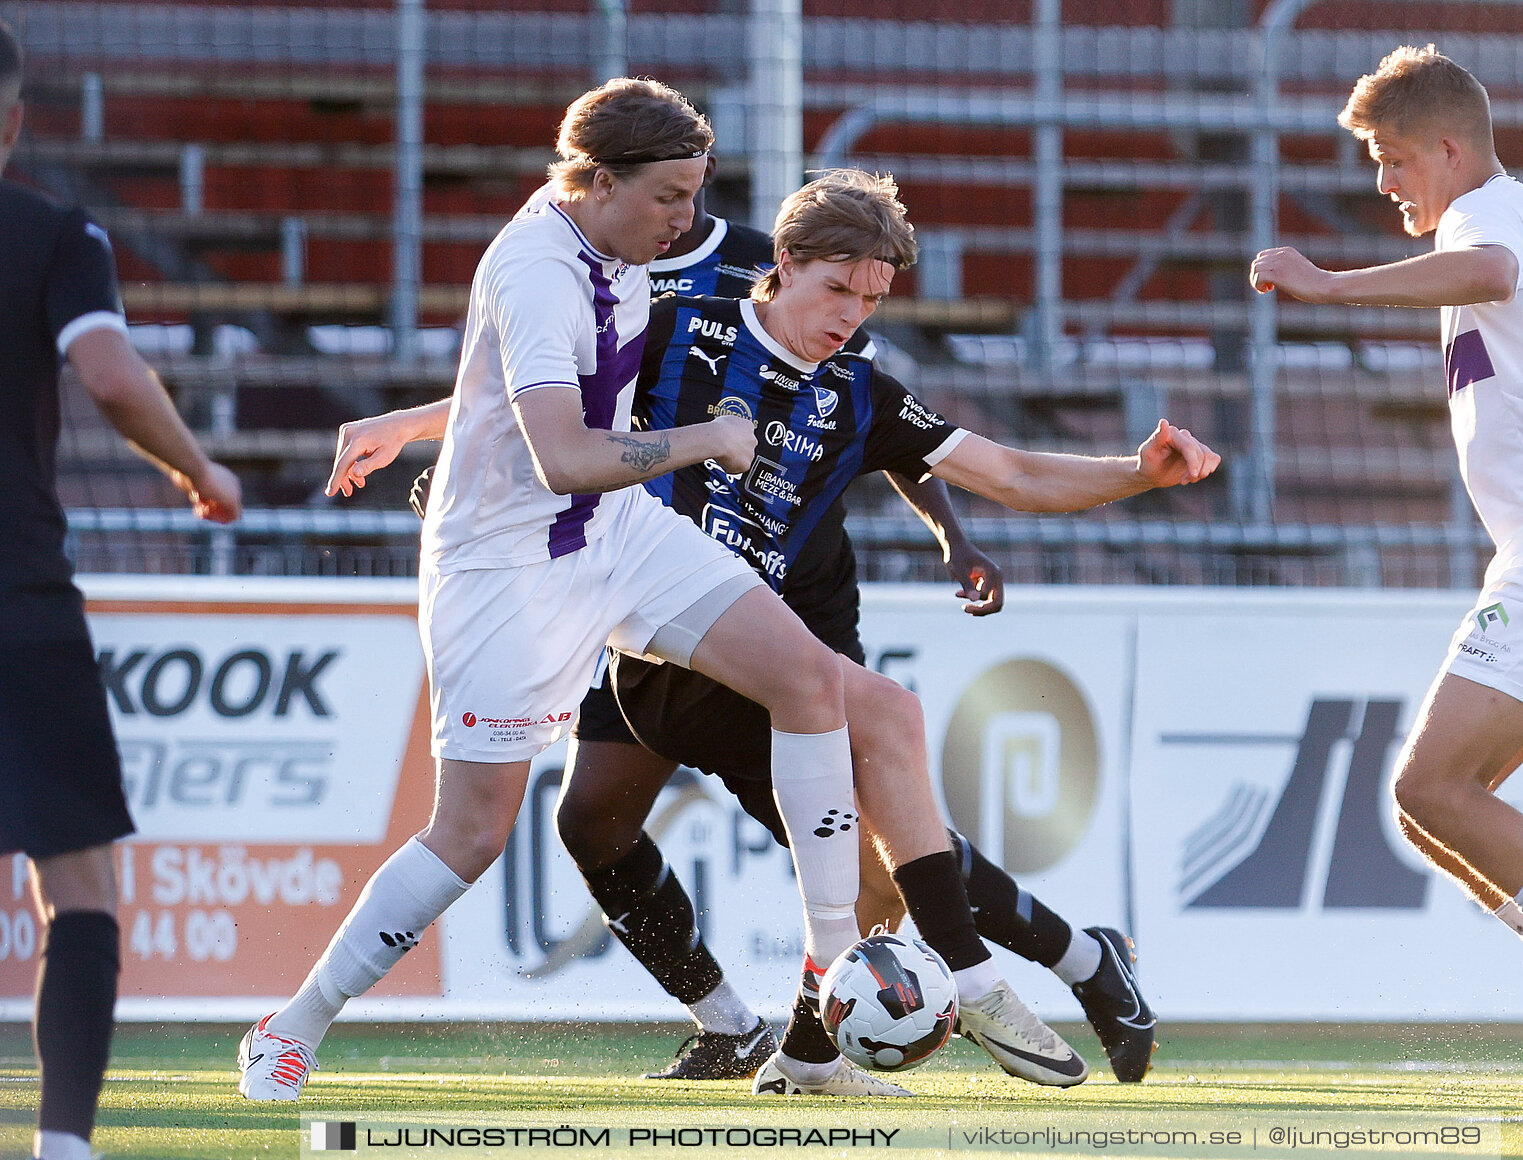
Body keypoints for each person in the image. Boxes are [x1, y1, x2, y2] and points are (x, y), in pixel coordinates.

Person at [329, 169, 1213, 1094]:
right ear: (783, 264)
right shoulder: (679, 327)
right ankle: (996, 976)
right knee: (820, 786)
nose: (852, 316)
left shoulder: (864, 393)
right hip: (657, 632)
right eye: (838, 289)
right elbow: (535, 390)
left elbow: (1018, 476)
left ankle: (812, 1048)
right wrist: (436, 437)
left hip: (750, 652)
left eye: (872, 300)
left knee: (872, 857)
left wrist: (1139, 473)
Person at [237, 78, 883, 1102]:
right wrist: (709, 437)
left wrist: (417, 417)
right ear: (594, 179)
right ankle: (291, 1024)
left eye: (698, 192)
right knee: (473, 832)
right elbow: (564, 455)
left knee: (812, 680)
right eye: (672, 196)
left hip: (617, 534)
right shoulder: (536, 271)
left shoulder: (617, 245)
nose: (691, 219)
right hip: (506, 568)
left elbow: (521, 384)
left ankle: (819, 1030)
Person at [1250, 45, 1523, 1104]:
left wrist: (1329, 284)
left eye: (1393, 157)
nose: (1384, 182)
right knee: (1431, 805)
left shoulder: (1485, 219)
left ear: (1450, 148)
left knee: (1426, 786)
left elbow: (1488, 275)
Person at [0, 20, 245, 1160]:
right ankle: (61, 1145)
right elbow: (107, 371)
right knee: (80, 885)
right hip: (16, 594)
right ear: (12, 118)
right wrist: (198, 468)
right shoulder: (54, 234)